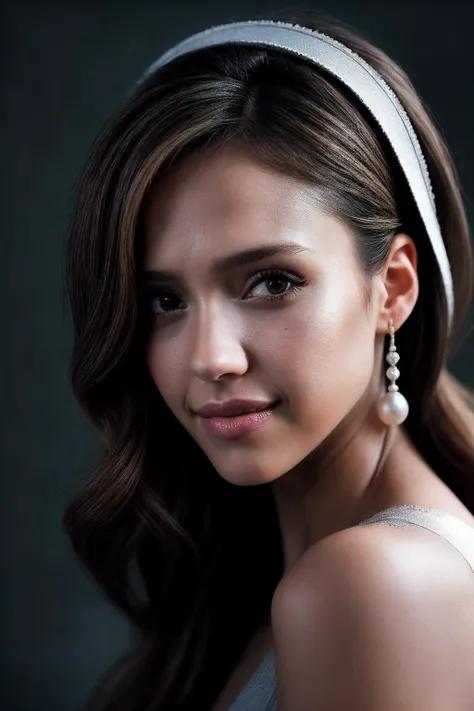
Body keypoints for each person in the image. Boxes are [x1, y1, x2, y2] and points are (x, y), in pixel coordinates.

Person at [63, 11, 474, 711]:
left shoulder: (370, 584)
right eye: (164, 300)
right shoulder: (276, 578)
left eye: (273, 282)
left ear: (394, 287)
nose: (211, 357)